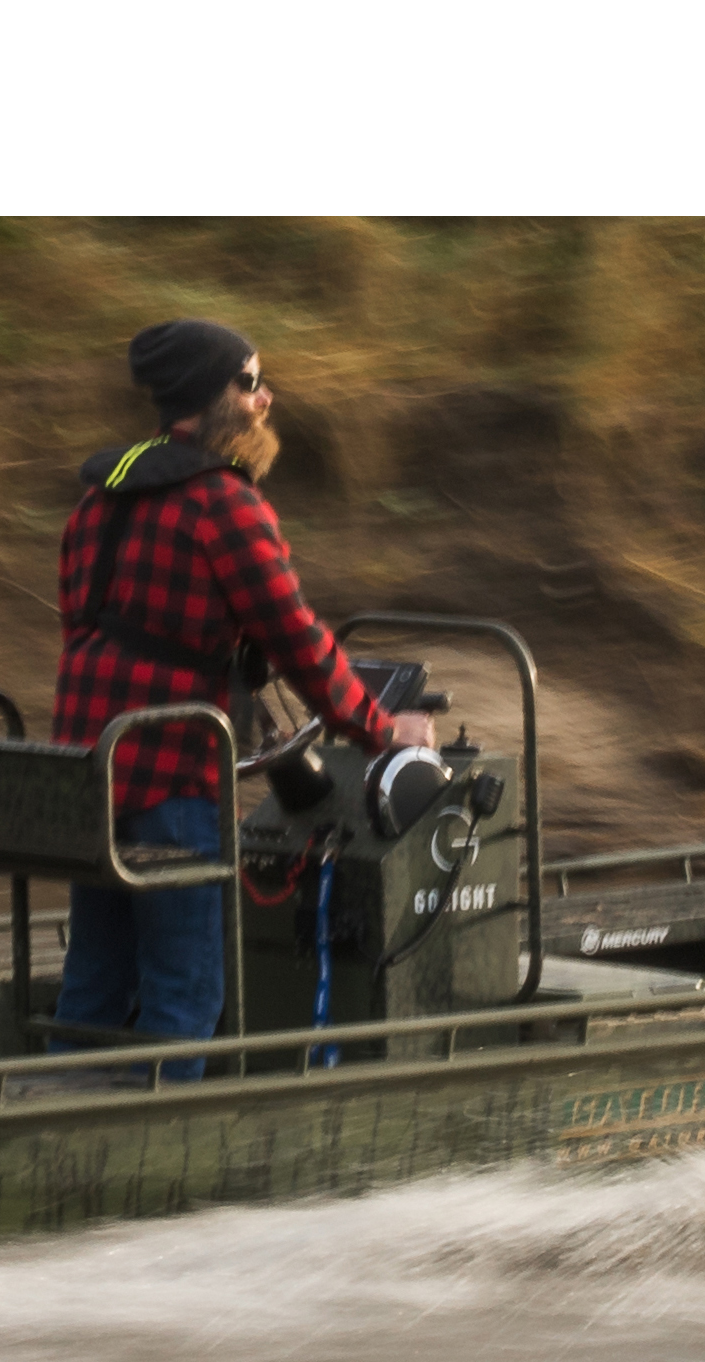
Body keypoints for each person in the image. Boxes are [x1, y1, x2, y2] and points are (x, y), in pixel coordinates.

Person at [49, 317, 433, 1077]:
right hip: (173, 772)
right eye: (250, 383)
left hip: (86, 770)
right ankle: (147, 1163)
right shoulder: (223, 504)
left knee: (94, 980)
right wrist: (382, 731)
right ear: (209, 399)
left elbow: (80, 625)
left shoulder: (100, 500)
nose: (266, 399)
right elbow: (297, 640)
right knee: (186, 989)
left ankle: (55, 1125)